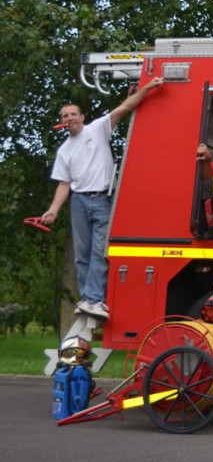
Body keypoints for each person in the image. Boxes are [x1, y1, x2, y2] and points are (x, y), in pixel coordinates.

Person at [41, 77, 165, 320]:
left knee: (100, 251)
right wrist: (53, 210)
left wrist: (148, 88)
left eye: (73, 114)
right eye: (65, 116)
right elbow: (64, 184)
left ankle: (95, 299)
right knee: (82, 254)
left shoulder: (97, 129)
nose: (70, 118)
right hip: (78, 202)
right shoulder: (64, 150)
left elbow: (125, 108)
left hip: (102, 200)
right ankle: (88, 298)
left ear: (82, 117)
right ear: (62, 122)